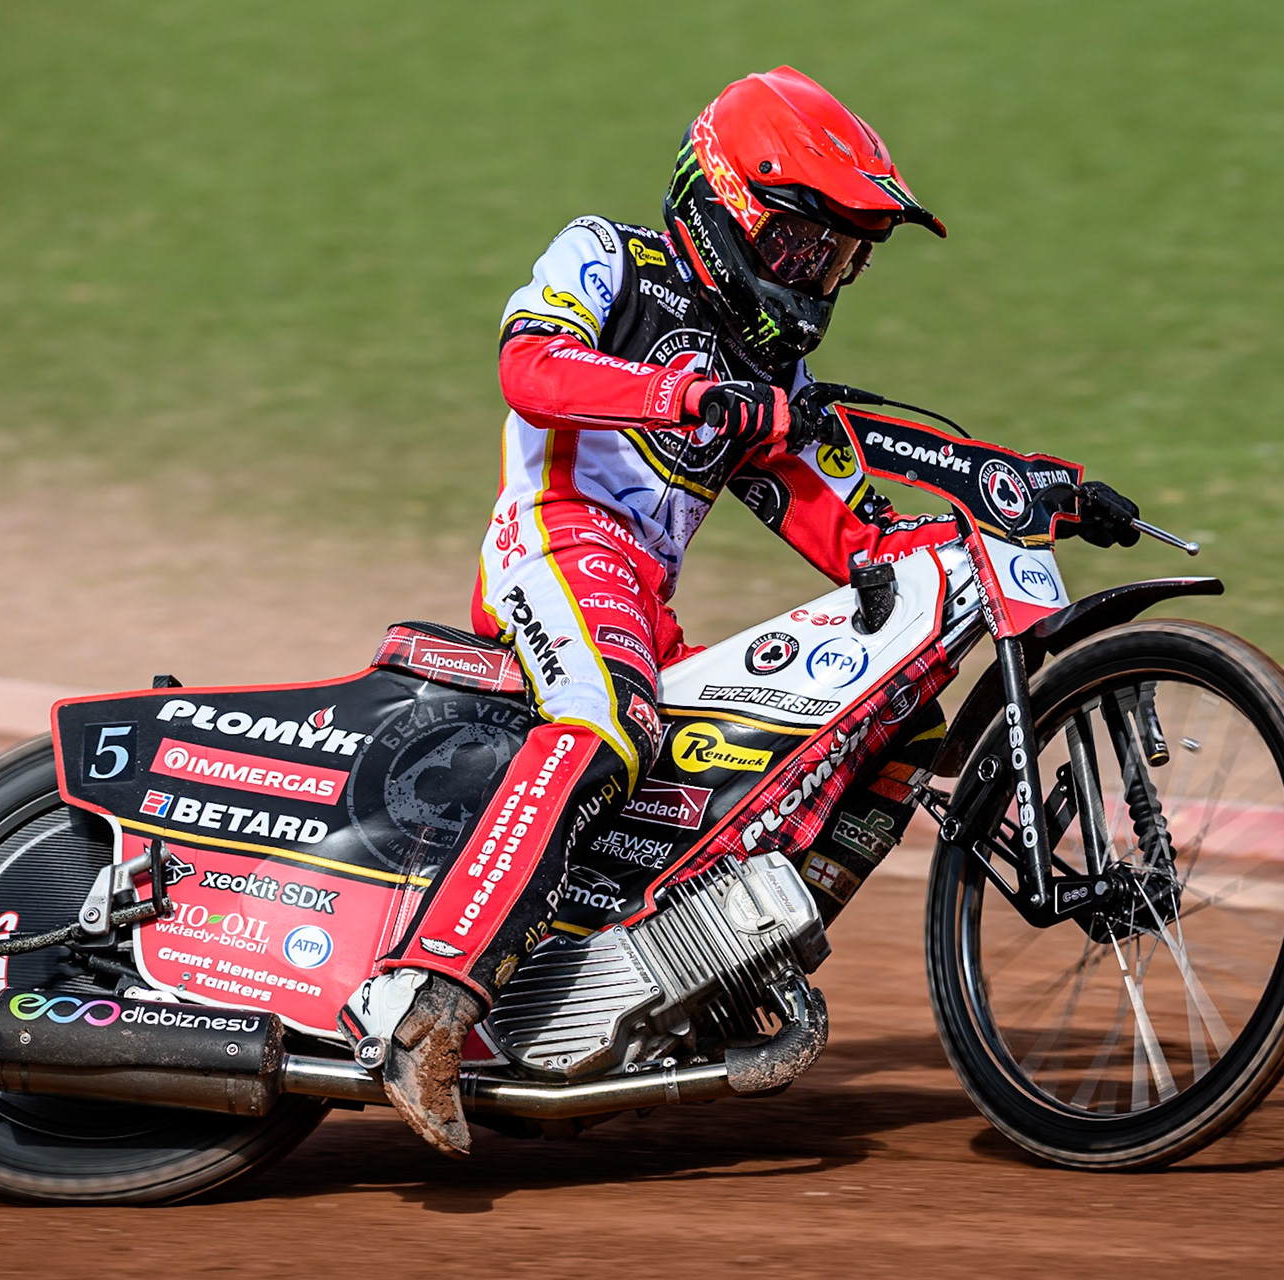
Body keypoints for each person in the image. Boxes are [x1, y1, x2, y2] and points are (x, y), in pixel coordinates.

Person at [340, 67, 973, 1156]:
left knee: (897, 717)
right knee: (608, 725)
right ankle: (427, 1003)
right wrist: (674, 391)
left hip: (647, 603)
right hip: (555, 544)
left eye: (841, 259)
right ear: (728, 202)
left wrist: (978, 537)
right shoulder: (608, 254)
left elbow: (833, 520)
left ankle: (720, 963)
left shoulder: (767, 360)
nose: (819, 276)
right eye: (803, 244)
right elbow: (529, 369)